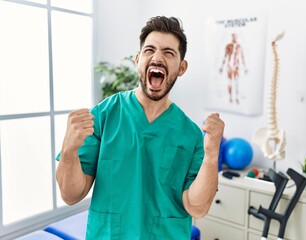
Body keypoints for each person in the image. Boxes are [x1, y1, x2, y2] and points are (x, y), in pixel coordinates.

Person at [56, 16, 225, 239]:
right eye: (149, 50)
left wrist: (212, 155)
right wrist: (69, 150)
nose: (157, 58)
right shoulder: (105, 115)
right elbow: (71, 195)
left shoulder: (191, 134)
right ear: (138, 60)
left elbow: (197, 207)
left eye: (168, 52)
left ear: (181, 67)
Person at [219, 33, 248, 104]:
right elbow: (225, 56)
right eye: (233, 37)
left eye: (235, 37)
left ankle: (237, 97)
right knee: (230, 82)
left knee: (236, 82)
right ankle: (230, 97)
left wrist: (245, 67)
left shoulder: (239, 46)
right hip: (229, 66)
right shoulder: (228, 46)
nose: (234, 38)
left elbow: (242, 57)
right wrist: (221, 67)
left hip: (236, 66)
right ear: (232, 37)